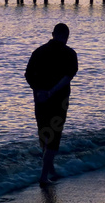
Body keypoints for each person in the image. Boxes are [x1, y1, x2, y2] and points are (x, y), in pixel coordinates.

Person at [25, 23, 78, 187]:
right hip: (58, 101)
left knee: (44, 133)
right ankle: (44, 176)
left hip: (40, 99)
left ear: (53, 33)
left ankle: (49, 167)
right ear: (67, 36)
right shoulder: (69, 53)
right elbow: (68, 77)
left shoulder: (38, 52)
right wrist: (52, 91)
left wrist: (39, 90)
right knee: (54, 136)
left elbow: (28, 75)